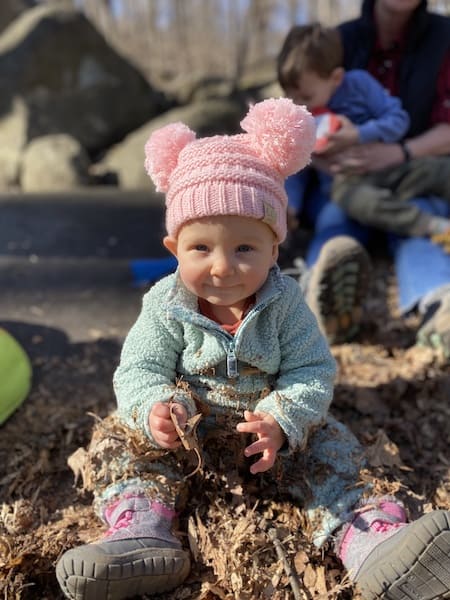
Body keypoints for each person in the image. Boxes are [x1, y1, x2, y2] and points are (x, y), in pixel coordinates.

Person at [55, 98, 450, 600]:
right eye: (201, 248)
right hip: (188, 433)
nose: (222, 267)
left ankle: (373, 545)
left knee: (334, 454)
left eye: (245, 248)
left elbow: (311, 369)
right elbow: (138, 367)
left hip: (269, 437)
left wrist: (283, 420)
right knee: (117, 445)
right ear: (174, 249)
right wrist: (153, 407)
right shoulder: (165, 305)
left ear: (273, 248)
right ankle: (141, 531)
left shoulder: (285, 304)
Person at [278, 0, 450, 355]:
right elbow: (293, 155)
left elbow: (401, 119)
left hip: (403, 173)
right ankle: (318, 301)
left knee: (417, 215)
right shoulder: (334, 43)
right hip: (339, 189)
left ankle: (438, 301)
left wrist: (394, 149)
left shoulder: (442, 38)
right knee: (335, 222)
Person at [277, 22, 450, 240]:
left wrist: (358, 134)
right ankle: (433, 227)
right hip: (347, 184)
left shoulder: (359, 85)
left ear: (336, 78)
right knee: (357, 201)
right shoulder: (295, 118)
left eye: (307, 97)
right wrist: (290, 205)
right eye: (290, 96)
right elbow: (295, 169)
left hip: (392, 166)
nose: (298, 104)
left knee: (440, 170)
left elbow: (398, 120)